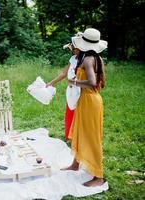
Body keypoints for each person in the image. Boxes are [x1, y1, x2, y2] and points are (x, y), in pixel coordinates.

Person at [62, 28, 108, 187]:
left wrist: (74, 82)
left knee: (92, 137)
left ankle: (98, 177)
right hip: (87, 100)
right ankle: (75, 164)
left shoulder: (88, 60)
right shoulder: (97, 58)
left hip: (90, 101)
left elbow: (93, 82)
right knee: (80, 132)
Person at [47, 41, 80, 140]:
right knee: (69, 111)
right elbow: (64, 73)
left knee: (78, 113)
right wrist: (51, 83)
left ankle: (77, 136)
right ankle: (69, 135)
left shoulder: (85, 60)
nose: (73, 50)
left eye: (75, 48)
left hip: (80, 89)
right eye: (72, 48)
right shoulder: (72, 58)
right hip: (71, 90)